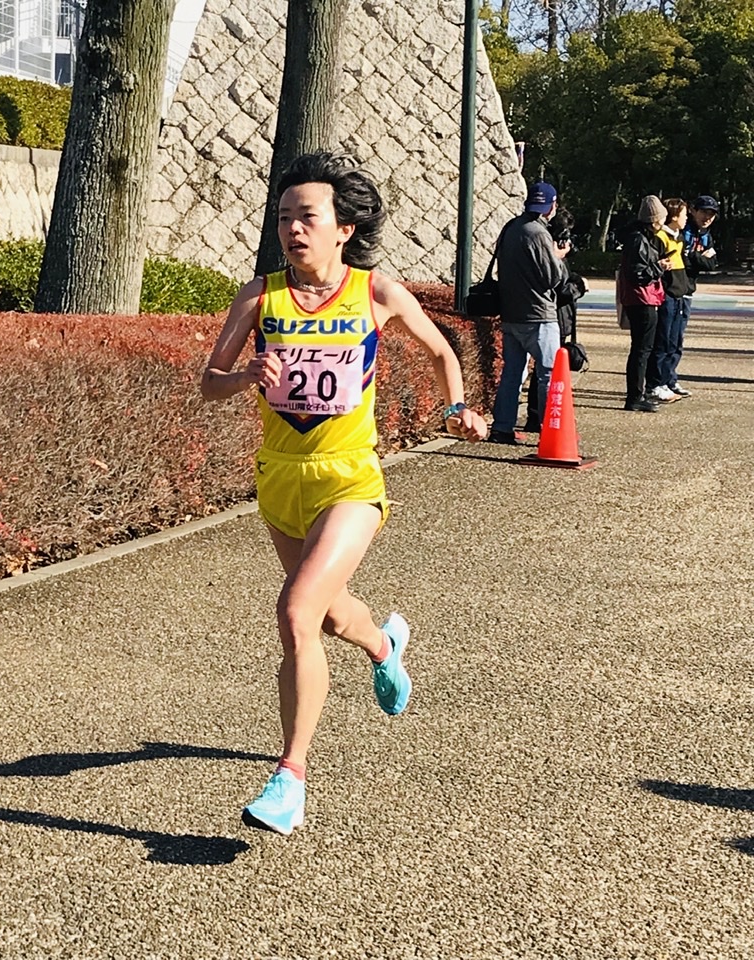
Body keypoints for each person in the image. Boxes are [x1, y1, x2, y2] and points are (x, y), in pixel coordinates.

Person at [199, 151, 488, 835]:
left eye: (307, 217)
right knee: (328, 618)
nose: (293, 230)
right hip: (282, 482)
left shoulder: (375, 293)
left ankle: (288, 779)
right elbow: (209, 380)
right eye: (283, 218)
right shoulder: (258, 295)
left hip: (352, 481)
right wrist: (246, 378)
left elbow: (443, 350)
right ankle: (385, 646)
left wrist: (456, 411)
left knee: (296, 612)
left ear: (343, 229)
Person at [489, 182, 570, 444]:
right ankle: (551, 429)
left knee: (512, 372)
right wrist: (558, 255)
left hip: (511, 312)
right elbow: (552, 278)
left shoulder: (511, 227)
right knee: (549, 373)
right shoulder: (538, 233)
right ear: (552, 206)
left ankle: (502, 427)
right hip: (539, 315)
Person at [525, 208, 587, 430]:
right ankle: (542, 418)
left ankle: (537, 416)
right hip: (552, 316)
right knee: (547, 370)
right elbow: (559, 289)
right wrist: (580, 286)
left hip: (554, 316)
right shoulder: (549, 252)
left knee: (542, 370)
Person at [618, 195, 671, 412]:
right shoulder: (639, 239)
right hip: (642, 298)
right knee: (642, 348)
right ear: (654, 221)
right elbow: (638, 273)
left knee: (641, 348)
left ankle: (636, 394)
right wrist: (659, 267)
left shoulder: (637, 237)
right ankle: (635, 396)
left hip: (639, 297)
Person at [674, 195, 721, 397]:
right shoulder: (684, 230)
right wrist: (698, 257)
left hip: (689, 290)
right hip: (675, 288)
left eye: (712, 214)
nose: (707, 217)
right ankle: (660, 382)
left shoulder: (706, 235)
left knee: (678, 340)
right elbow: (683, 258)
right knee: (667, 339)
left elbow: (712, 264)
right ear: (693, 211)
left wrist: (695, 258)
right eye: (704, 212)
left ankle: (671, 379)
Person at [647, 198, 689, 404]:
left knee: (674, 341)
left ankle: (668, 380)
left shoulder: (679, 237)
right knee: (661, 341)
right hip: (666, 295)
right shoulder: (660, 237)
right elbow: (655, 265)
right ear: (673, 216)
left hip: (679, 294)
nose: (686, 218)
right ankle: (655, 384)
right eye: (684, 214)